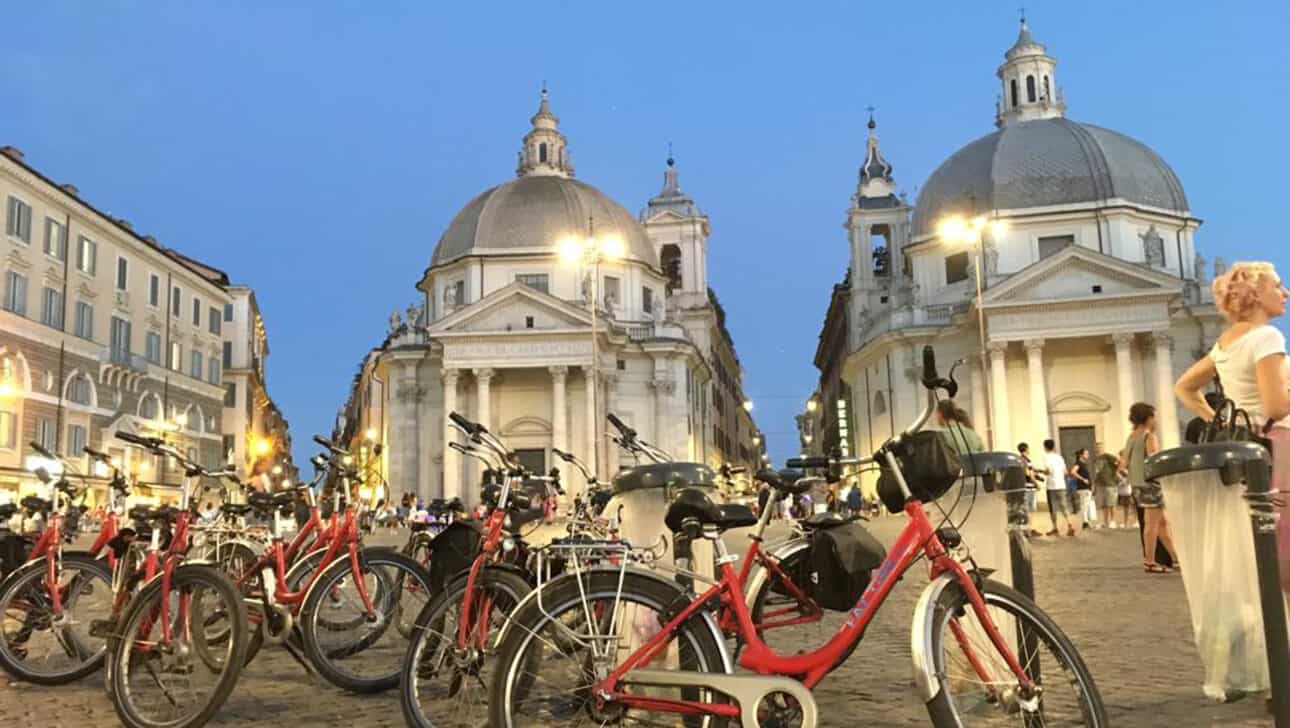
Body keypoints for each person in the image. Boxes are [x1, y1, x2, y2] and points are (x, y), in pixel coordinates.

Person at [1176, 260, 1290, 594]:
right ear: (1255, 294)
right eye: (1277, 286)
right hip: (1281, 447)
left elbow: (1184, 387)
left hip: (1252, 448)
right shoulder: (1267, 337)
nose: (1285, 293)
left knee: (1267, 542)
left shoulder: (1225, 344)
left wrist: (1220, 419)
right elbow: (1275, 406)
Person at [1121, 402, 1180, 573]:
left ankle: (1175, 558)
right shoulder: (1149, 437)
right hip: (1151, 484)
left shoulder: (1132, 437)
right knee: (1152, 524)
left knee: (1161, 522)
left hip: (1137, 485)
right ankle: (1150, 561)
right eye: (1154, 416)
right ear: (1147, 418)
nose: (1156, 420)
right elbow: (1155, 461)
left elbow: (1123, 463)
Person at [1042, 439, 1077, 537]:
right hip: (1061, 485)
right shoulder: (1059, 457)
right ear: (1053, 447)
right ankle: (1070, 525)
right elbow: (1065, 472)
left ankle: (1055, 527)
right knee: (1064, 506)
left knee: (1053, 507)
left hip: (1051, 486)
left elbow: (1048, 471)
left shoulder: (1046, 457)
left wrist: (1040, 471)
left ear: (1045, 447)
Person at [1091, 444, 1120, 528]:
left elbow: (1118, 462)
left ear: (1102, 449)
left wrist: (1117, 473)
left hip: (1110, 483)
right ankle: (1105, 521)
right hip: (1100, 484)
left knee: (1111, 503)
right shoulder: (1096, 459)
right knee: (1104, 504)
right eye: (1096, 448)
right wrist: (1094, 484)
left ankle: (1113, 521)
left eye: (1099, 448)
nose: (1097, 450)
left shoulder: (1108, 456)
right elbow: (1096, 472)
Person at [1070, 448, 1094, 530]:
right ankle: (1085, 522)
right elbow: (1073, 472)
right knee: (1084, 505)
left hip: (1087, 488)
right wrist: (1082, 479)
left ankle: (1086, 521)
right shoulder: (1078, 463)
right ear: (1081, 455)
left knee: (1086, 505)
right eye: (1086, 454)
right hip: (1083, 488)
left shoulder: (1084, 464)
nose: (1088, 455)